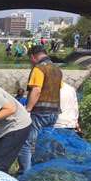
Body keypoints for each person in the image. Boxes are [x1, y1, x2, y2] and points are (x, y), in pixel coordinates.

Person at [17, 45, 62, 174]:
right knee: (44, 141)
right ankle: (41, 171)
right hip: (54, 112)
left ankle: (25, 173)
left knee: (26, 142)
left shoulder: (38, 68)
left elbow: (36, 90)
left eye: (30, 60)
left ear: (33, 56)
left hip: (40, 112)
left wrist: (28, 109)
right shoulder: (57, 69)